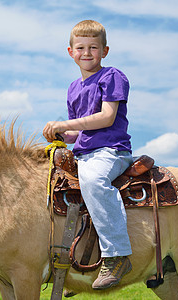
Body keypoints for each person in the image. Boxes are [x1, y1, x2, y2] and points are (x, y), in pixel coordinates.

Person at [43, 20, 133, 290]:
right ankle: (73, 257)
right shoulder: (73, 88)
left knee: (94, 181)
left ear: (104, 51)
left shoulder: (112, 76)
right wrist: (60, 137)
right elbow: (77, 134)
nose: (86, 52)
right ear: (70, 52)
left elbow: (106, 118)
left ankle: (117, 255)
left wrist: (66, 125)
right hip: (85, 152)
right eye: (80, 47)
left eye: (93, 47)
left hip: (110, 150)